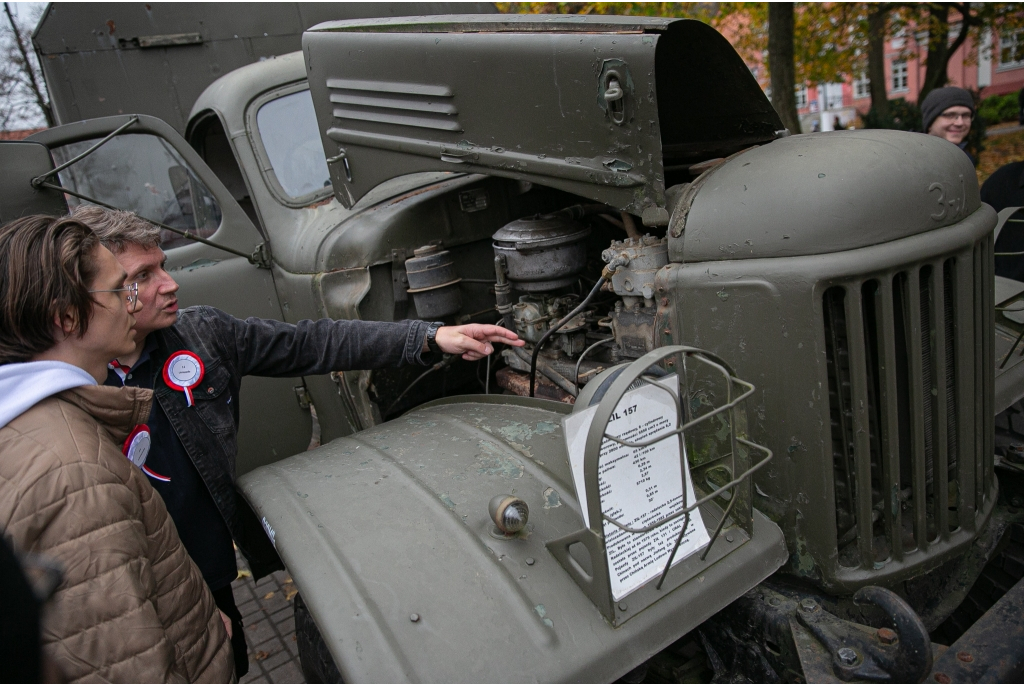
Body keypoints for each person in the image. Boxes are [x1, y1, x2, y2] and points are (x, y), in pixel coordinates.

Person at [71, 205, 524, 676]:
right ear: (91, 294)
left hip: (208, 565)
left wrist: (429, 337)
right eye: (144, 275)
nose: (170, 284)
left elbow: (311, 343)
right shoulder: (69, 396)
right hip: (142, 590)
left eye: (164, 265)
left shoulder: (200, 333)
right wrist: (177, 607)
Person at [0, 215, 233, 682]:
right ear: (66, 316)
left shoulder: (28, 427)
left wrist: (195, 618)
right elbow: (128, 663)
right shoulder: (73, 471)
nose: (133, 305)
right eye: (120, 291)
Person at [920, 86, 976, 162]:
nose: (960, 123)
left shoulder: (966, 160)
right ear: (930, 123)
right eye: (950, 115)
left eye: (965, 115)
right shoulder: (911, 160)